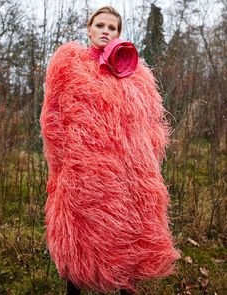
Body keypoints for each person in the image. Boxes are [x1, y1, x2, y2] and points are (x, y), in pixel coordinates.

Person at [40, 5, 180, 295]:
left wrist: (145, 166)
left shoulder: (135, 72)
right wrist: (61, 167)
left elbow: (150, 123)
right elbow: (53, 119)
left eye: (112, 27)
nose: (106, 31)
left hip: (129, 173)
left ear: (119, 32)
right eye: (100, 25)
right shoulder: (69, 67)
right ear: (89, 28)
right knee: (78, 235)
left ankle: (125, 286)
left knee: (127, 229)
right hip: (83, 173)